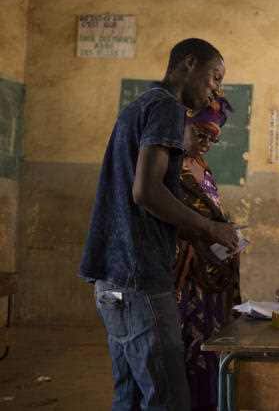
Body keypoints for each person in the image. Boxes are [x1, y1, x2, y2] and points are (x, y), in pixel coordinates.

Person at [79, 38, 239, 411]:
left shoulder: (140, 106)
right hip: (140, 276)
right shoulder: (168, 108)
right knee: (168, 398)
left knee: (131, 395)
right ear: (187, 64)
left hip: (112, 277)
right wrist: (210, 228)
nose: (216, 89)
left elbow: (144, 198)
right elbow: (147, 192)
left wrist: (193, 232)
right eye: (214, 77)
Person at [174, 96, 241, 411]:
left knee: (212, 349)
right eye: (200, 134)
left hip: (213, 279)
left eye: (213, 138)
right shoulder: (168, 166)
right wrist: (204, 240)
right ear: (181, 126)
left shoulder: (201, 166)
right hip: (187, 278)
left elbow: (211, 215)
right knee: (187, 350)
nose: (206, 143)